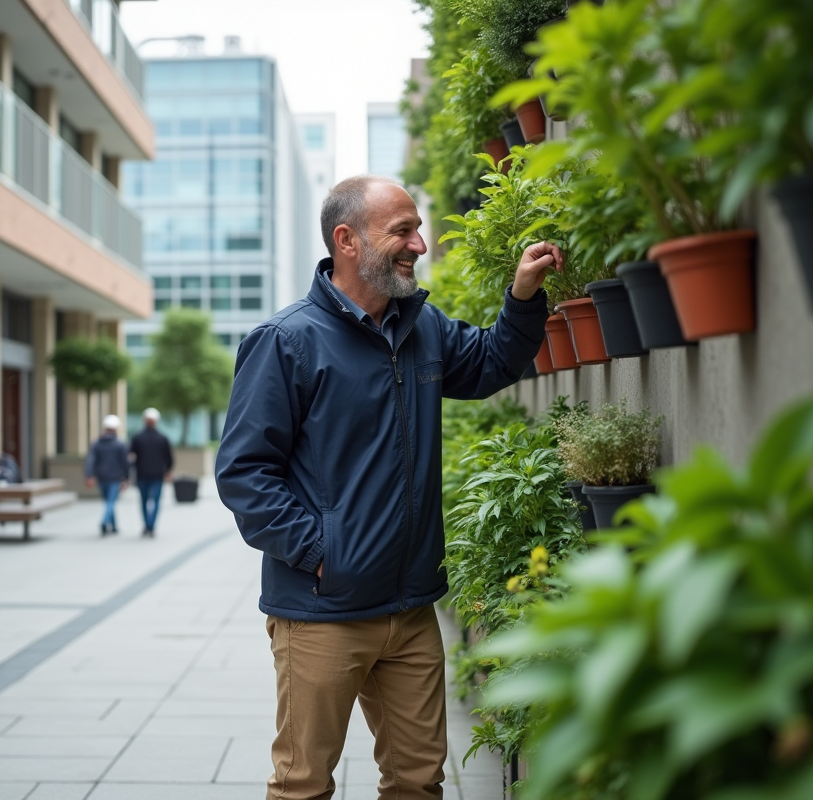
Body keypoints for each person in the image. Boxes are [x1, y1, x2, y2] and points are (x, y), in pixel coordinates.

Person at [215, 175, 560, 800]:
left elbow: (490, 363)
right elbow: (244, 472)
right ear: (347, 240)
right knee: (303, 785)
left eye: (416, 228)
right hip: (324, 612)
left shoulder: (420, 328)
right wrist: (324, 555)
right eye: (402, 231)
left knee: (419, 782)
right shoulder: (287, 341)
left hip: (411, 608)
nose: (419, 244)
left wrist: (523, 295)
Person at [128, 407, 174, 538]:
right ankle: (151, 525)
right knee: (156, 501)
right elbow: (169, 457)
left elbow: (131, 456)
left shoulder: (137, 437)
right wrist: (168, 470)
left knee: (143, 501)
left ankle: (147, 525)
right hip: (157, 475)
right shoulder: (162, 438)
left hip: (142, 474)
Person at [85, 415, 129, 535]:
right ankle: (105, 521)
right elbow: (125, 463)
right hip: (115, 477)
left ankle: (113, 526)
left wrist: (90, 475)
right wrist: (126, 478)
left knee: (109, 501)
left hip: (102, 477)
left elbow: (90, 460)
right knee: (111, 501)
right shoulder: (120, 444)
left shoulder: (97, 443)